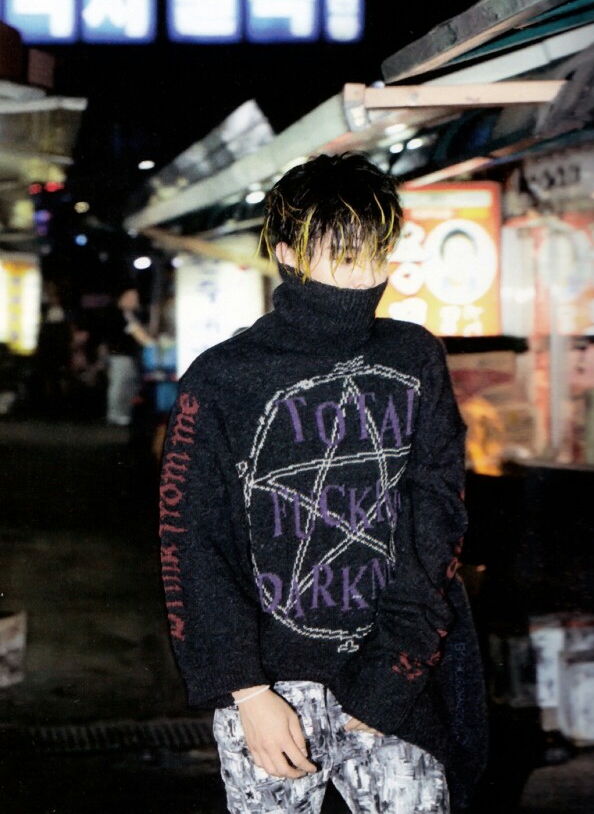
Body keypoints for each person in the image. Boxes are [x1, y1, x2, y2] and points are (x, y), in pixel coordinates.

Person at [159, 153, 487, 813]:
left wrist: (395, 672)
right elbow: (192, 545)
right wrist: (247, 693)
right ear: (288, 255)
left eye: (376, 256)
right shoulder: (222, 378)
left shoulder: (414, 357)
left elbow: (435, 521)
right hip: (270, 690)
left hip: (393, 673)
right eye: (342, 258)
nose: (363, 278)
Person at [104, 286, 153, 426]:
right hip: (120, 355)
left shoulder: (132, 314)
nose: (135, 300)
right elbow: (136, 333)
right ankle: (114, 414)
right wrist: (149, 342)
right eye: (132, 297)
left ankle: (124, 413)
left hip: (130, 356)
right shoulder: (117, 315)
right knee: (119, 385)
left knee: (129, 386)